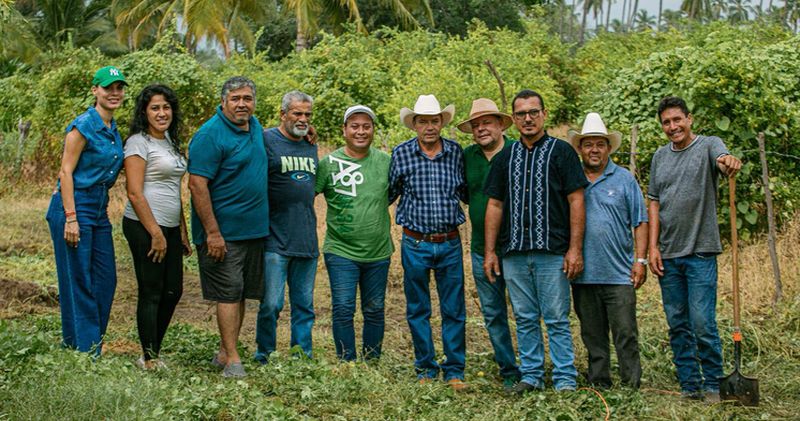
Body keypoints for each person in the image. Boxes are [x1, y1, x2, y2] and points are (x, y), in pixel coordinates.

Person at [484, 89, 587, 393]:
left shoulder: (562, 152)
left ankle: (565, 378)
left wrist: (575, 249)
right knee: (525, 317)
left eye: (533, 112)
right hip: (514, 252)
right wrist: (491, 252)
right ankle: (531, 376)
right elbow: (495, 205)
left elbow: (576, 200)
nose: (527, 119)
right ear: (513, 120)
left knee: (556, 318)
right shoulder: (506, 157)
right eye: (521, 114)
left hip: (552, 251)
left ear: (544, 114)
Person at [647, 96, 742, 402]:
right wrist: (652, 248)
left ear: (689, 119)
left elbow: (722, 157)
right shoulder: (660, 157)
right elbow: (654, 203)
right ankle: (690, 384)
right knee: (677, 322)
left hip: (700, 251)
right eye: (666, 122)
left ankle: (714, 382)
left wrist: (728, 161)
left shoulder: (708, 145)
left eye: (677, 120)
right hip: (669, 253)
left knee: (702, 322)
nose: (672, 126)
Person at [188, 76, 269, 378]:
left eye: (247, 98)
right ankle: (234, 359)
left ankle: (225, 351)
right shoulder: (210, 135)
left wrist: (305, 132)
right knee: (228, 293)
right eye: (235, 99)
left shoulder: (255, 126)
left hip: (254, 231)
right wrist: (212, 232)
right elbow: (197, 184)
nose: (242, 104)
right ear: (223, 101)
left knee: (243, 292)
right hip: (222, 235)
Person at [389, 94, 469, 391]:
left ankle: (454, 369)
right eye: (423, 121)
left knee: (454, 309)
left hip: (449, 242)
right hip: (415, 243)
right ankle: (425, 366)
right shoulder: (401, 154)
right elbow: (391, 192)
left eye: (434, 121)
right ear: (415, 125)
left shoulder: (456, 153)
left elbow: (465, 191)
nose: (430, 127)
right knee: (418, 308)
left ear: (441, 123)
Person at [45, 66, 127, 355]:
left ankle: (82, 341)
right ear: (95, 91)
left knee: (106, 279)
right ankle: (87, 349)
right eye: (108, 88)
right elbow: (66, 172)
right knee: (79, 278)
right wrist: (71, 217)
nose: (114, 93)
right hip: (73, 206)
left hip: (98, 209)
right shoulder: (83, 125)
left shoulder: (113, 129)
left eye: (119, 88)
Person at [568, 112, 646, 389]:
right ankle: (599, 381)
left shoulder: (624, 179)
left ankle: (631, 382)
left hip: (618, 273)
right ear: (580, 148)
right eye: (588, 144)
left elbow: (640, 221)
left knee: (625, 332)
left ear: (608, 147)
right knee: (592, 333)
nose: (594, 150)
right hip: (583, 273)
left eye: (600, 144)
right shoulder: (571, 179)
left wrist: (640, 260)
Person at [122, 84, 192, 370]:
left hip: (170, 225)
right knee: (152, 289)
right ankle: (150, 358)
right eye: (155, 108)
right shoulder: (138, 142)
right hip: (143, 225)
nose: (162, 113)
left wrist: (182, 232)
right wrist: (155, 232)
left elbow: (175, 189)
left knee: (174, 291)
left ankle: (152, 350)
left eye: (166, 107)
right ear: (144, 112)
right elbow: (134, 192)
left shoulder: (170, 143)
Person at [316, 105, 393, 361]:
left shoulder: (386, 162)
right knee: (343, 308)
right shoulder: (328, 164)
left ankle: (371, 360)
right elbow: (304, 196)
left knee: (375, 309)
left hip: (378, 251)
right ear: (344, 130)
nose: (361, 132)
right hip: (341, 251)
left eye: (366, 126)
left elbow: (392, 194)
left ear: (372, 130)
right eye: (355, 126)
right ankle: (347, 361)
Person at [457, 98, 520, 391]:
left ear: (500, 124)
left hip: (518, 248)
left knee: (525, 311)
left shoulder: (518, 151)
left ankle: (532, 367)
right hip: (482, 248)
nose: (481, 129)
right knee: (493, 313)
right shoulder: (467, 157)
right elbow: (467, 195)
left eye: (487, 123)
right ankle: (508, 368)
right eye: (476, 125)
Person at [255, 91, 319, 363]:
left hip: (306, 237)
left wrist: (307, 131)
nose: (303, 119)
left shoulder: (310, 143)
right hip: (274, 238)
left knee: (304, 305)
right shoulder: (266, 139)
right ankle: (264, 352)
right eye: (297, 113)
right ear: (283, 114)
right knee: (271, 304)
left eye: (307, 114)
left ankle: (301, 355)